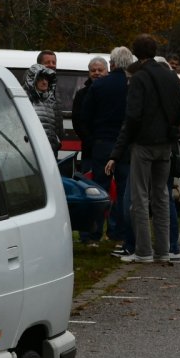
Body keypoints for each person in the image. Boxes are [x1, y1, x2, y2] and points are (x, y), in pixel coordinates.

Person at [106, 34, 180, 265]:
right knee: (162, 195)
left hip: (143, 143)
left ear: (135, 53)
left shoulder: (138, 78)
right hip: (166, 144)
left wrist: (117, 151)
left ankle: (143, 251)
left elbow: (132, 116)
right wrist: (168, 126)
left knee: (139, 198)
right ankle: (163, 250)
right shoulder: (170, 75)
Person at [81, 47, 131, 250]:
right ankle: (118, 232)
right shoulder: (132, 86)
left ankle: (93, 233)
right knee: (123, 190)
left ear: (112, 63)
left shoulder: (99, 86)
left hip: (102, 142)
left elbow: (86, 115)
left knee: (98, 189)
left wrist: (93, 139)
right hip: (125, 144)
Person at [70, 55, 109, 244]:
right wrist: (90, 139)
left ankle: (106, 232)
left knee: (109, 192)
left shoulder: (112, 92)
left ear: (107, 71)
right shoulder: (81, 94)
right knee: (89, 190)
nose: (96, 73)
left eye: (100, 70)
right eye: (93, 70)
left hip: (109, 149)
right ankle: (87, 234)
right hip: (89, 150)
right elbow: (78, 121)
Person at [24, 63, 61, 152]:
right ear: (32, 80)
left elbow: (57, 128)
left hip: (50, 151)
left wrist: (57, 142)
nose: (44, 82)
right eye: (40, 79)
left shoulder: (50, 100)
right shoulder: (25, 99)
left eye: (46, 79)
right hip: (32, 151)